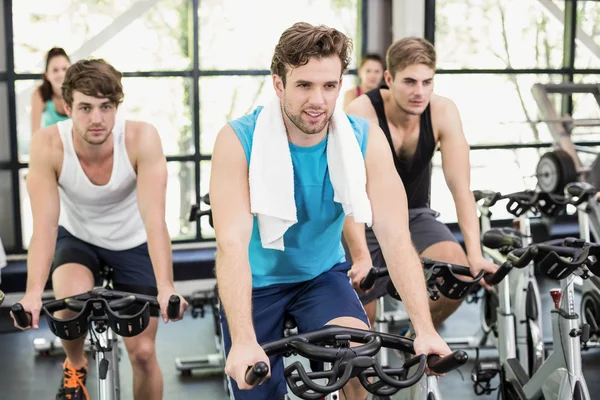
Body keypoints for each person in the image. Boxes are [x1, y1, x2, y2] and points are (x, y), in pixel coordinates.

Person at [210, 22, 451, 400]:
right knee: (254, 388)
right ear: (279, 84)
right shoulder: (238, 139)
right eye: (304, 85)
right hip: (255, 284)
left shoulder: (363, 139)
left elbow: (394, 234)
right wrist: (242, 340)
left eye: (329, 86)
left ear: (341, 84)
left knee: (357, 361)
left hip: (320, 277)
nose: (318, 100)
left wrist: (424, 328)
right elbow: (231, 244)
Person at [10, 58, 188, 400]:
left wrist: (166, 287)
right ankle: (75, 364)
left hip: (133, 240)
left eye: (106, 107)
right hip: (78, 237)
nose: (96, 119)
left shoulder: (141, 138)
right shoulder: (48, 144)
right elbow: (45, 227)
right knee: (68, 307)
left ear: (117, 106)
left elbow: (155, 220)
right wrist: (33, 293)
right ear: (67, 107)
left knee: (143, 353)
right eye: (85, 107)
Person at [343, 37, 498, 329]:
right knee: (360, 324)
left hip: (414, 215)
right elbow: (349, 193)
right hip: (360, 217)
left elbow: (460, 188)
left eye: (428, 82)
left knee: (459, 275)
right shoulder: (361, 113)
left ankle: (416, 340)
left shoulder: (443, 112)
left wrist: (475, 254)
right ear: (388, 79)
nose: (419, 92)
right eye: (410, 82)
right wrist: (361, 256)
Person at [30, 47, 72, 134]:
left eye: (64, 69)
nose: (61, 74)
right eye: (55, 70)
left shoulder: (80, 92)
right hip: (50, 146)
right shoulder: (39, 94)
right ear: (47, 75)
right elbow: (35, 134)